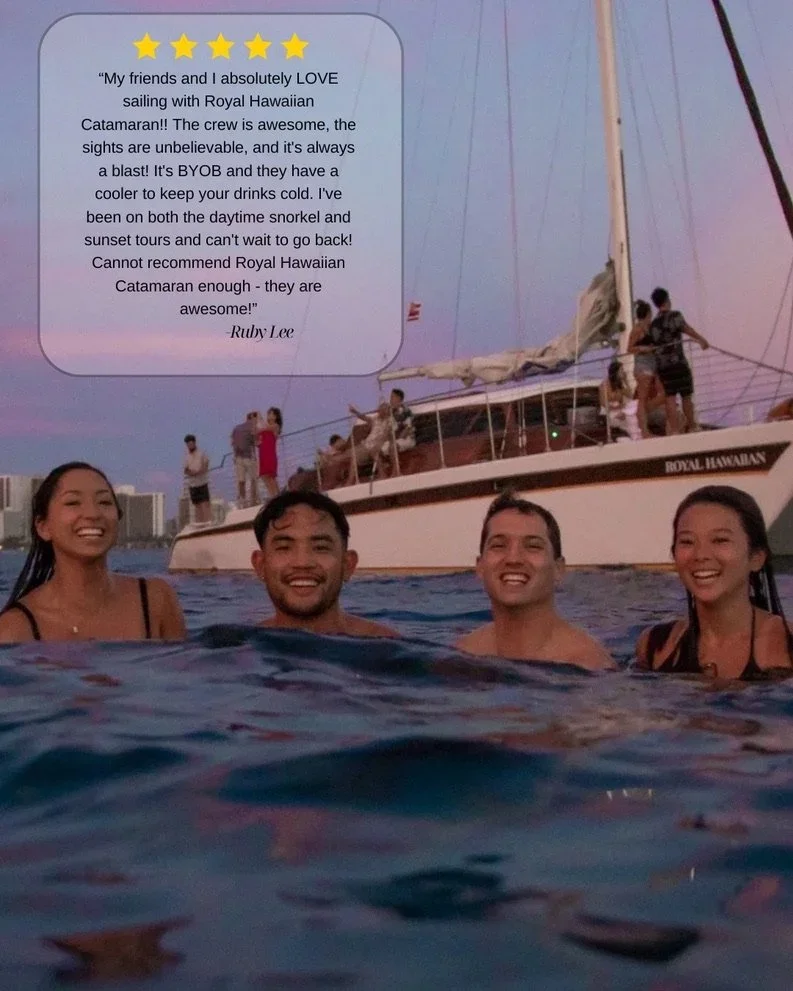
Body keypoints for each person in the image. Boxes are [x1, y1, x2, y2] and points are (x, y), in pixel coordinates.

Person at [0, 462, 186, 643]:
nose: (93, 514)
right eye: (73, 502)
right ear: (43, 527)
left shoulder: (156, 600)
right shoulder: (14, 629)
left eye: (104, 502)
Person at [635, 485, 793, 680]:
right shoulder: (654, 647)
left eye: (720, 540)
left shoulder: (787, 647)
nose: (701, 555)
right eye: (687, 542)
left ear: (757, 557)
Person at [455, 492, 615, 670]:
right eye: (499, 546)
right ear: (480, 567)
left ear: (558, 569)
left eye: (533, 546)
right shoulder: (466, 652)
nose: (513, 559)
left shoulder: (589, 665)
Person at [251, 490, 398, 637]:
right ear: (260, 565)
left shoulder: (390, 650)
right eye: (284, 548)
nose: (302, 562)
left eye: (321, 548)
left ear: (347, 564)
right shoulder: (241, 649)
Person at [649, 287, 709, 435]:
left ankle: (675, 430)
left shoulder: (653, 325)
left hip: (663, 366)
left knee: (670, 398)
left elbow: (652, 346)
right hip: (678, 363)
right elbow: (687, 329)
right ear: (667, 300)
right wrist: (701, 340)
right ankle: (692, 426)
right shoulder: (675, 316)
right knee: (686, 395)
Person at [627, 299, 660, 439]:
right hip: (642, 366)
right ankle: (644, 430)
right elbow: (629, 348)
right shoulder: (637, 329)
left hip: (652, 365)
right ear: (647, 314)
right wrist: (644, 348)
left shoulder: (649, 328)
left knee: (660, 393)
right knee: (642, 398)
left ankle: (646, 419)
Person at [343, 402, 392, 485]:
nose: (380, 411)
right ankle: (350, 480)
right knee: (354, 456)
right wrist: (354, 411)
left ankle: (382, 474)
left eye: (383, 409)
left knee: (374, 451)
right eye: (380, 409)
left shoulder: (389, 421)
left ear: (387, 411)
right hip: (366, 445)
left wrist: (380, 442)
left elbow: (388, 434)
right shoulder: (375, 419)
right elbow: (364, 417)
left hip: (378, 444)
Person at [599, 360, 639, 441]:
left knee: (635, 404)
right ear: (616, 372)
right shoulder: (605, 384)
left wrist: (626, 380)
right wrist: (618, 408)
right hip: (610, 412)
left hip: (620, 410)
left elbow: (630, 396)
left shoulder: (619, 384)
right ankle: (635, 437)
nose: (623, 372)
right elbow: (603, 403)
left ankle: (636, 436)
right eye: (621, 370)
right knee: (629, 418)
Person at [381, 388, 416, 470]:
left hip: (406, 439)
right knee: (378, 447)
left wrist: (394, 439)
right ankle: (387, 466)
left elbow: (407, 429)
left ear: (398, 398)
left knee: (392, 446)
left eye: (392, 397)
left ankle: (396, 470)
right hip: (393, 440)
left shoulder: (406, 411)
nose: (390, 400)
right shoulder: (390, 413)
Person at [230, 412, 259, 507]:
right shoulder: (253, 428)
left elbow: (233, 442)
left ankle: (242, 501)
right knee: (253, 479)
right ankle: (253, 500)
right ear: (251, 418)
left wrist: (235, 455)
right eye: (256, 419)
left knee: (241, 480)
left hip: (238, 457)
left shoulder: (236, 428)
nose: (257, 421)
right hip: (249, 457)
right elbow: (256, 442)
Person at [182, 433, 211, 524]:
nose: (189, 446)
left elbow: (205, 466)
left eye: (191, 443)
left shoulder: (201, 453)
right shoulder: (186, 457)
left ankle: (208, 522)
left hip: (202, 482)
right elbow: (185, 470)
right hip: (192, 484)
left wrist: (199, 472)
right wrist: (192, 473)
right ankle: (200, 523)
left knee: (205, 503)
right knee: (196, 504)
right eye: (188, 444)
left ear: (194, 443)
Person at [256, 406, 282, 501]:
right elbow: (258, 440)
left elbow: (264, 429)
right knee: (264, 476)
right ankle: (273, 496)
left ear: (275, 416)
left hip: (270, 454)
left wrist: (260, 419)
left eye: (271, 414)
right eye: (268, 413)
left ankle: (277, 497)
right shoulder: (265, 427)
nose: (269, 415)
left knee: (271, 476)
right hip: (263, 454)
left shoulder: (275, 426)